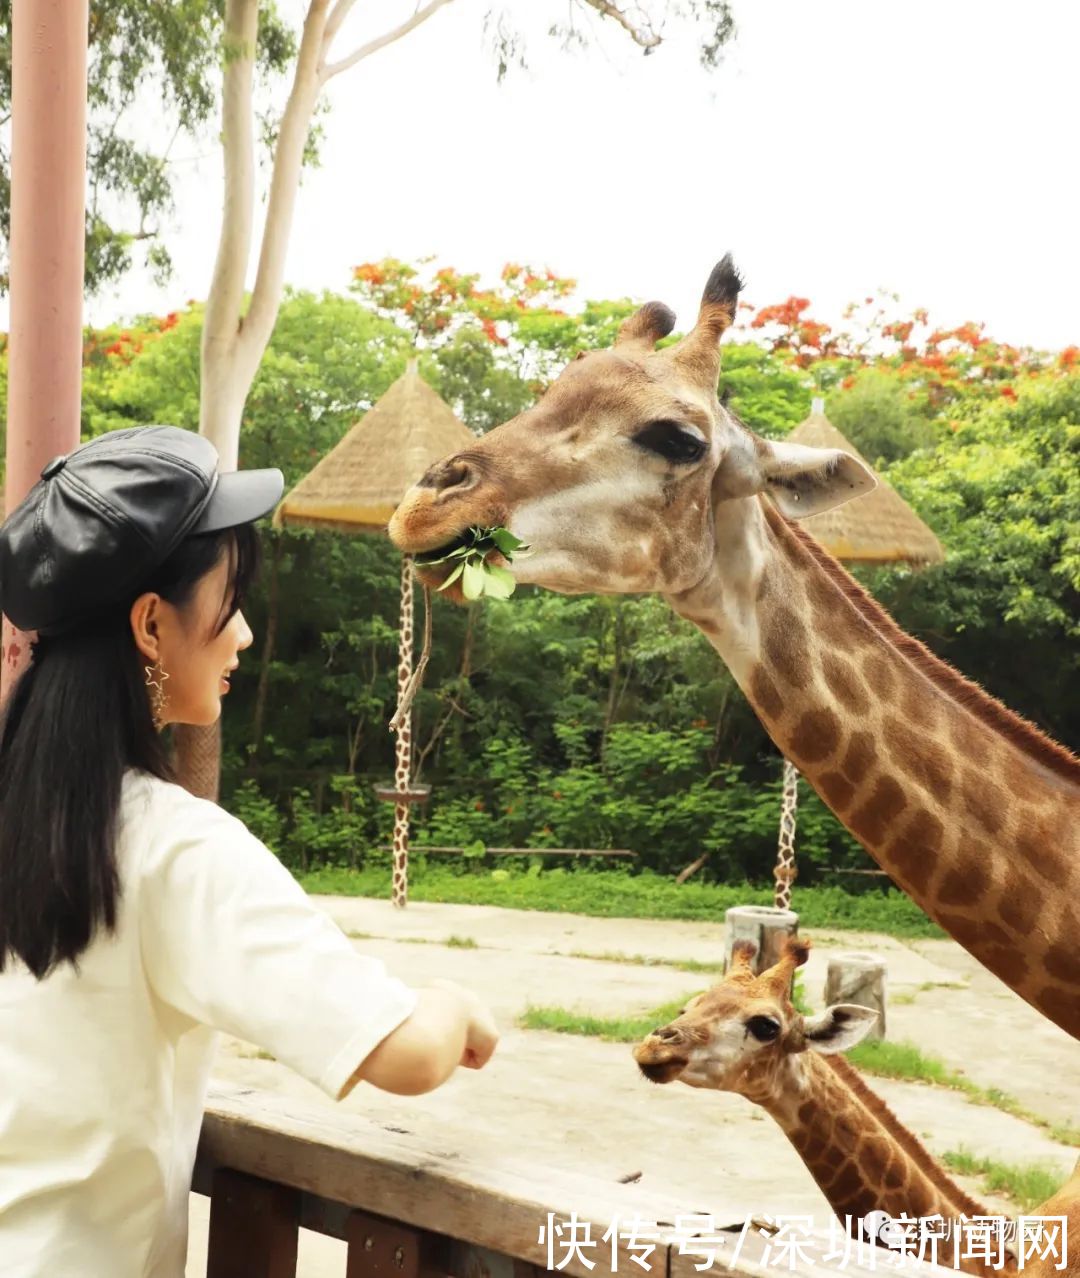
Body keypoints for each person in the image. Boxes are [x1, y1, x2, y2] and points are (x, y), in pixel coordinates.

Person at [0, 425, 499, 1278]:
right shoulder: (172, 849)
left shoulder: (40, 818)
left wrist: (182, 699)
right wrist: (454, 1001)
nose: (245, 638)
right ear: (152, 624)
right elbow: (408, 1054)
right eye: (229, 605)